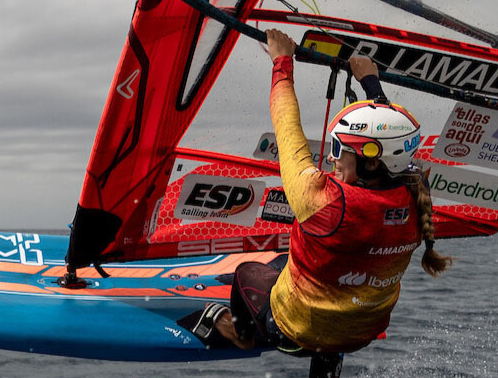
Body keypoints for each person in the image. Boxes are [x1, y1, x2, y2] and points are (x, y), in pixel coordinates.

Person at [193, 29, 451, 354]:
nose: (331, 157)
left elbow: (286, 124)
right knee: (283, 264)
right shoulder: (416, 190)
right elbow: (388, 137)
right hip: (363, 333)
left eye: (339, 149)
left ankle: (240, 334)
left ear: (371, 163)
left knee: (248, 271)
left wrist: (281, 62)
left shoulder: (325, 200)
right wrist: (371, 82)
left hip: (295, 333)